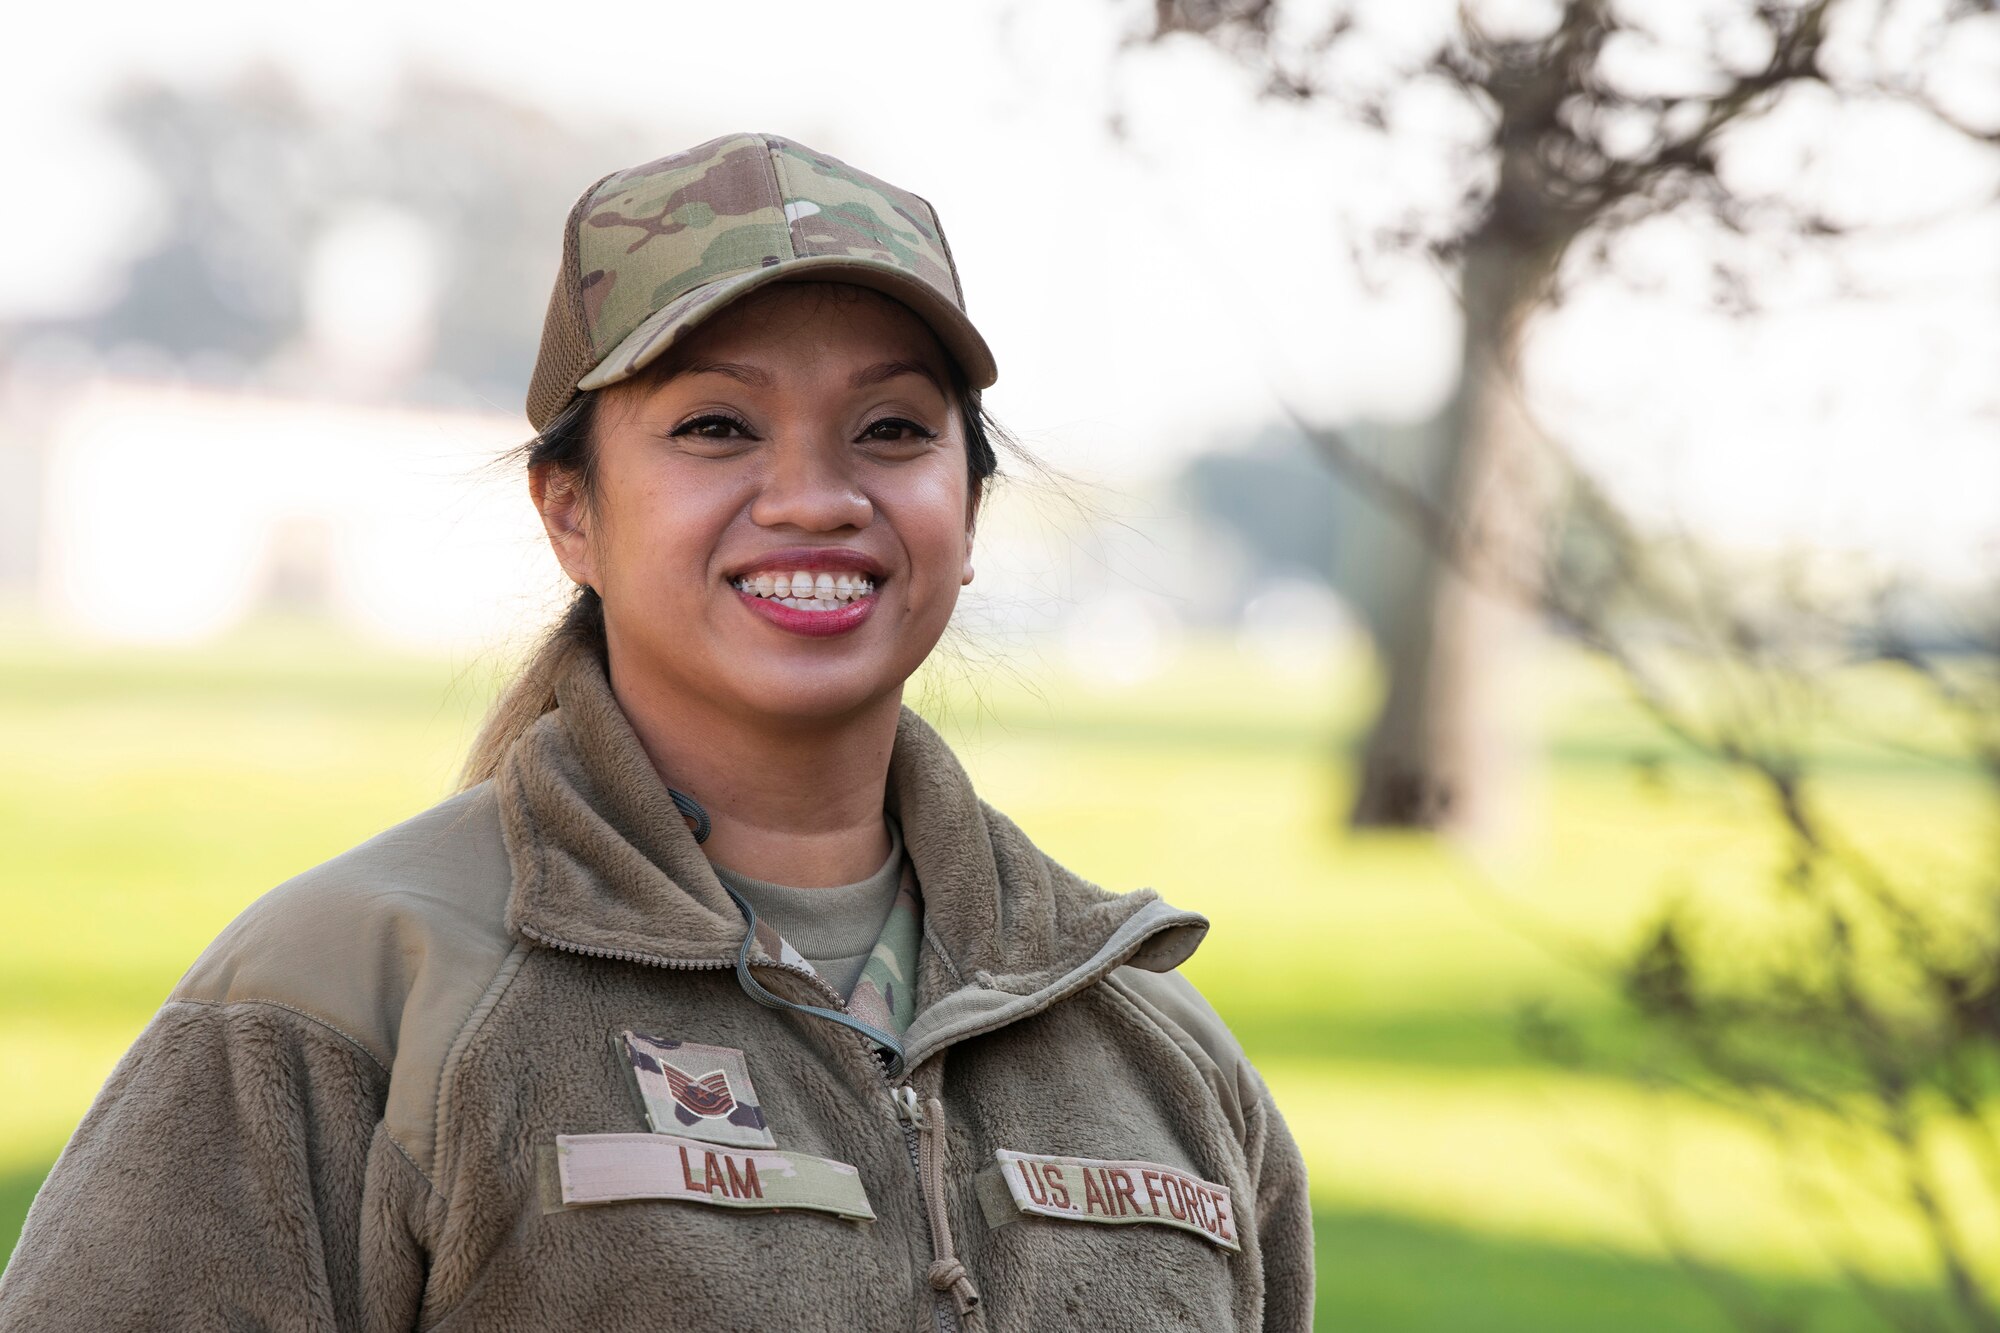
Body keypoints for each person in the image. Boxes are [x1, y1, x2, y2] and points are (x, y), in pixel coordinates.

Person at [0, 131, 1314, 1331]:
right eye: (717, 426)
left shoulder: (1153, 1049)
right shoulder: (347, 995)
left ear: (966, 512)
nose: (814, 496)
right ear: (571, 510)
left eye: (893, 429)